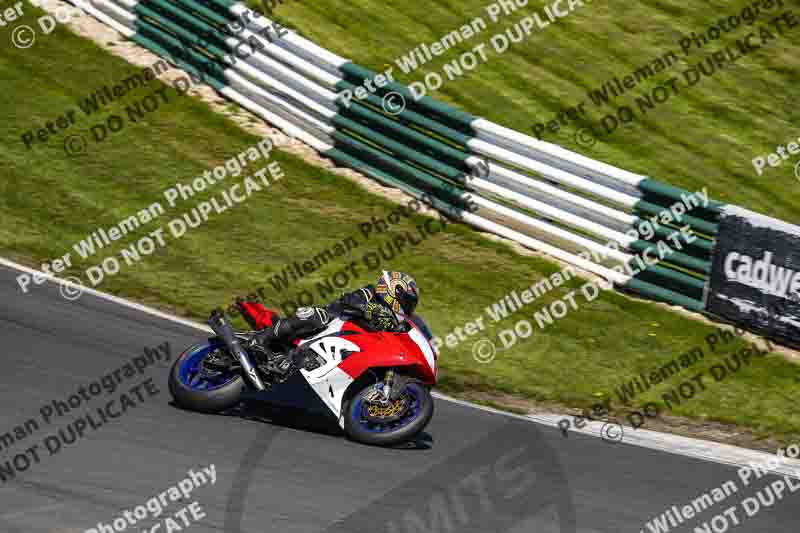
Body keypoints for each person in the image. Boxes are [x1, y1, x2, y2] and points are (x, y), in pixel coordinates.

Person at [250, 271, 419, 374]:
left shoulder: (390, 323)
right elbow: (348, 300)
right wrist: (369, 310)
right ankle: (261, 338)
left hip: (345, 347)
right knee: (316, 317)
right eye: (407, 301)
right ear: (394, 292)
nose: (407, 307)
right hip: (328, 325)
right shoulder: (369, 293)